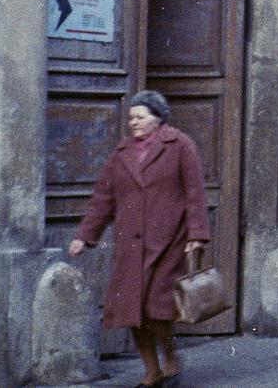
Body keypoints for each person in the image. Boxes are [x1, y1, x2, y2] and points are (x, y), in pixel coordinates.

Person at [67, 91, 210, 388]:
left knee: (156, 306)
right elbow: (102, 200)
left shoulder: (180, 145)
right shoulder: (121, 153)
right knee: (132, 310)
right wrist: (85, 236)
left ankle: (170, 357)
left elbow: (195, 192)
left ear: (157, 118)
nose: (133, 122)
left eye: (140, 117)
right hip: (130, 244)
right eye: (131, 117)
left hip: (169, 239)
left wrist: (197, 234)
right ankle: (151, 370)